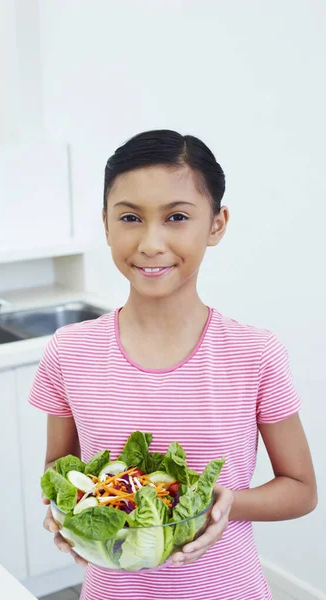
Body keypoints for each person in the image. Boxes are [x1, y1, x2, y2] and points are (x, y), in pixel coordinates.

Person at [29, 130, 317, 600]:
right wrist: (65, 513)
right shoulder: (69, 351)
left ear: (216, 225)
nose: (151, 243)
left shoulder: (253, 353)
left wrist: (227, 504)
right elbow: (59, 466)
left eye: (177, 217)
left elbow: (302, 489)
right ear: (106, 224)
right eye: (129, 218)